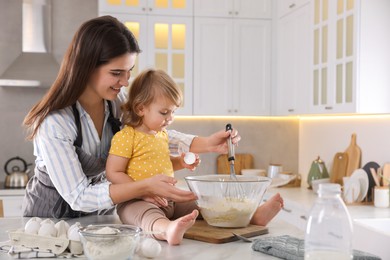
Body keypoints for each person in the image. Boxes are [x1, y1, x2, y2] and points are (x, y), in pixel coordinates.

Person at [21, 15, 245, 218]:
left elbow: (150, 134)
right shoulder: (56, 123)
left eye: (129, 71)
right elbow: (79, 196)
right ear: (86, 67)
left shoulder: (117, 102)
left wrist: (207, 144)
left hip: (99, 218)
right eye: (116, 73)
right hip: (48, 223)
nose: (126, 81)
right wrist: (144, 187)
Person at [106, 68, 284, 245]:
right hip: (137, 201)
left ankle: (251, 216)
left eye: (173, 112)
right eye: (164, 112)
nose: (170, 118)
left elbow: (161, 164)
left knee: (204, 205)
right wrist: (142, 191)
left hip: (170, 200)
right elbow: (114, 172)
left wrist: (181, 163)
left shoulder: (161, 135)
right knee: (146, 216)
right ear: (140, 108)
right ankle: (167, 229)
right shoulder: (126, 137)